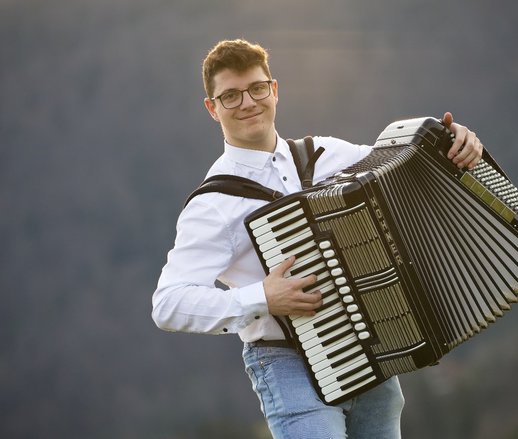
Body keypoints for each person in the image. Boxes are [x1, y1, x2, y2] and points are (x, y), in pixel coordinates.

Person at [152, 38, 483, 439]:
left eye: (257, 89)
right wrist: (262, 298)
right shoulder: (214, 204)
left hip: (371, 349)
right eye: (231, 96)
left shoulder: (328, 154)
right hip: (284, 362)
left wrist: (456, 142)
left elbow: (402, 160)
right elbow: (168, 303)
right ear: (212, 108)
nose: (247, 103)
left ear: (274, 90)